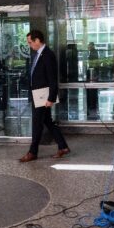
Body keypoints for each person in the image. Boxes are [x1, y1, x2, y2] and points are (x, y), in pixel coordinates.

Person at [19, 30, 70, 162]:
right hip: (37, 94)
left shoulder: (48, 55)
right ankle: (63, 146)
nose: (30, 45)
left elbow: (52, 79)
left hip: (43, 96)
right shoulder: (38, 54)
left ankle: (32, 152)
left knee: (37, 123)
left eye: (30, 42)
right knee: (47, 121)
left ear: (37, 40)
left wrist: (51, 98)